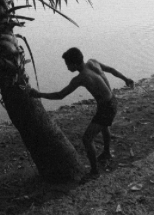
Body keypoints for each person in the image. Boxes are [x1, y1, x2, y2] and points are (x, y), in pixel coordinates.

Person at [27, 46, 135, 177]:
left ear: (74, 63)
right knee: (104, 126)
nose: (67, 68)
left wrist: (39, 94)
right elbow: (111, 70)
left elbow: (60, 95)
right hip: (112, 100)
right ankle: (106, 153)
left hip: (107, 107)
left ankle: (94, 172)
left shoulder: (81, 78)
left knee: (87, 139)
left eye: (68, 65)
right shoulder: (93, 62)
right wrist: (126, 79)